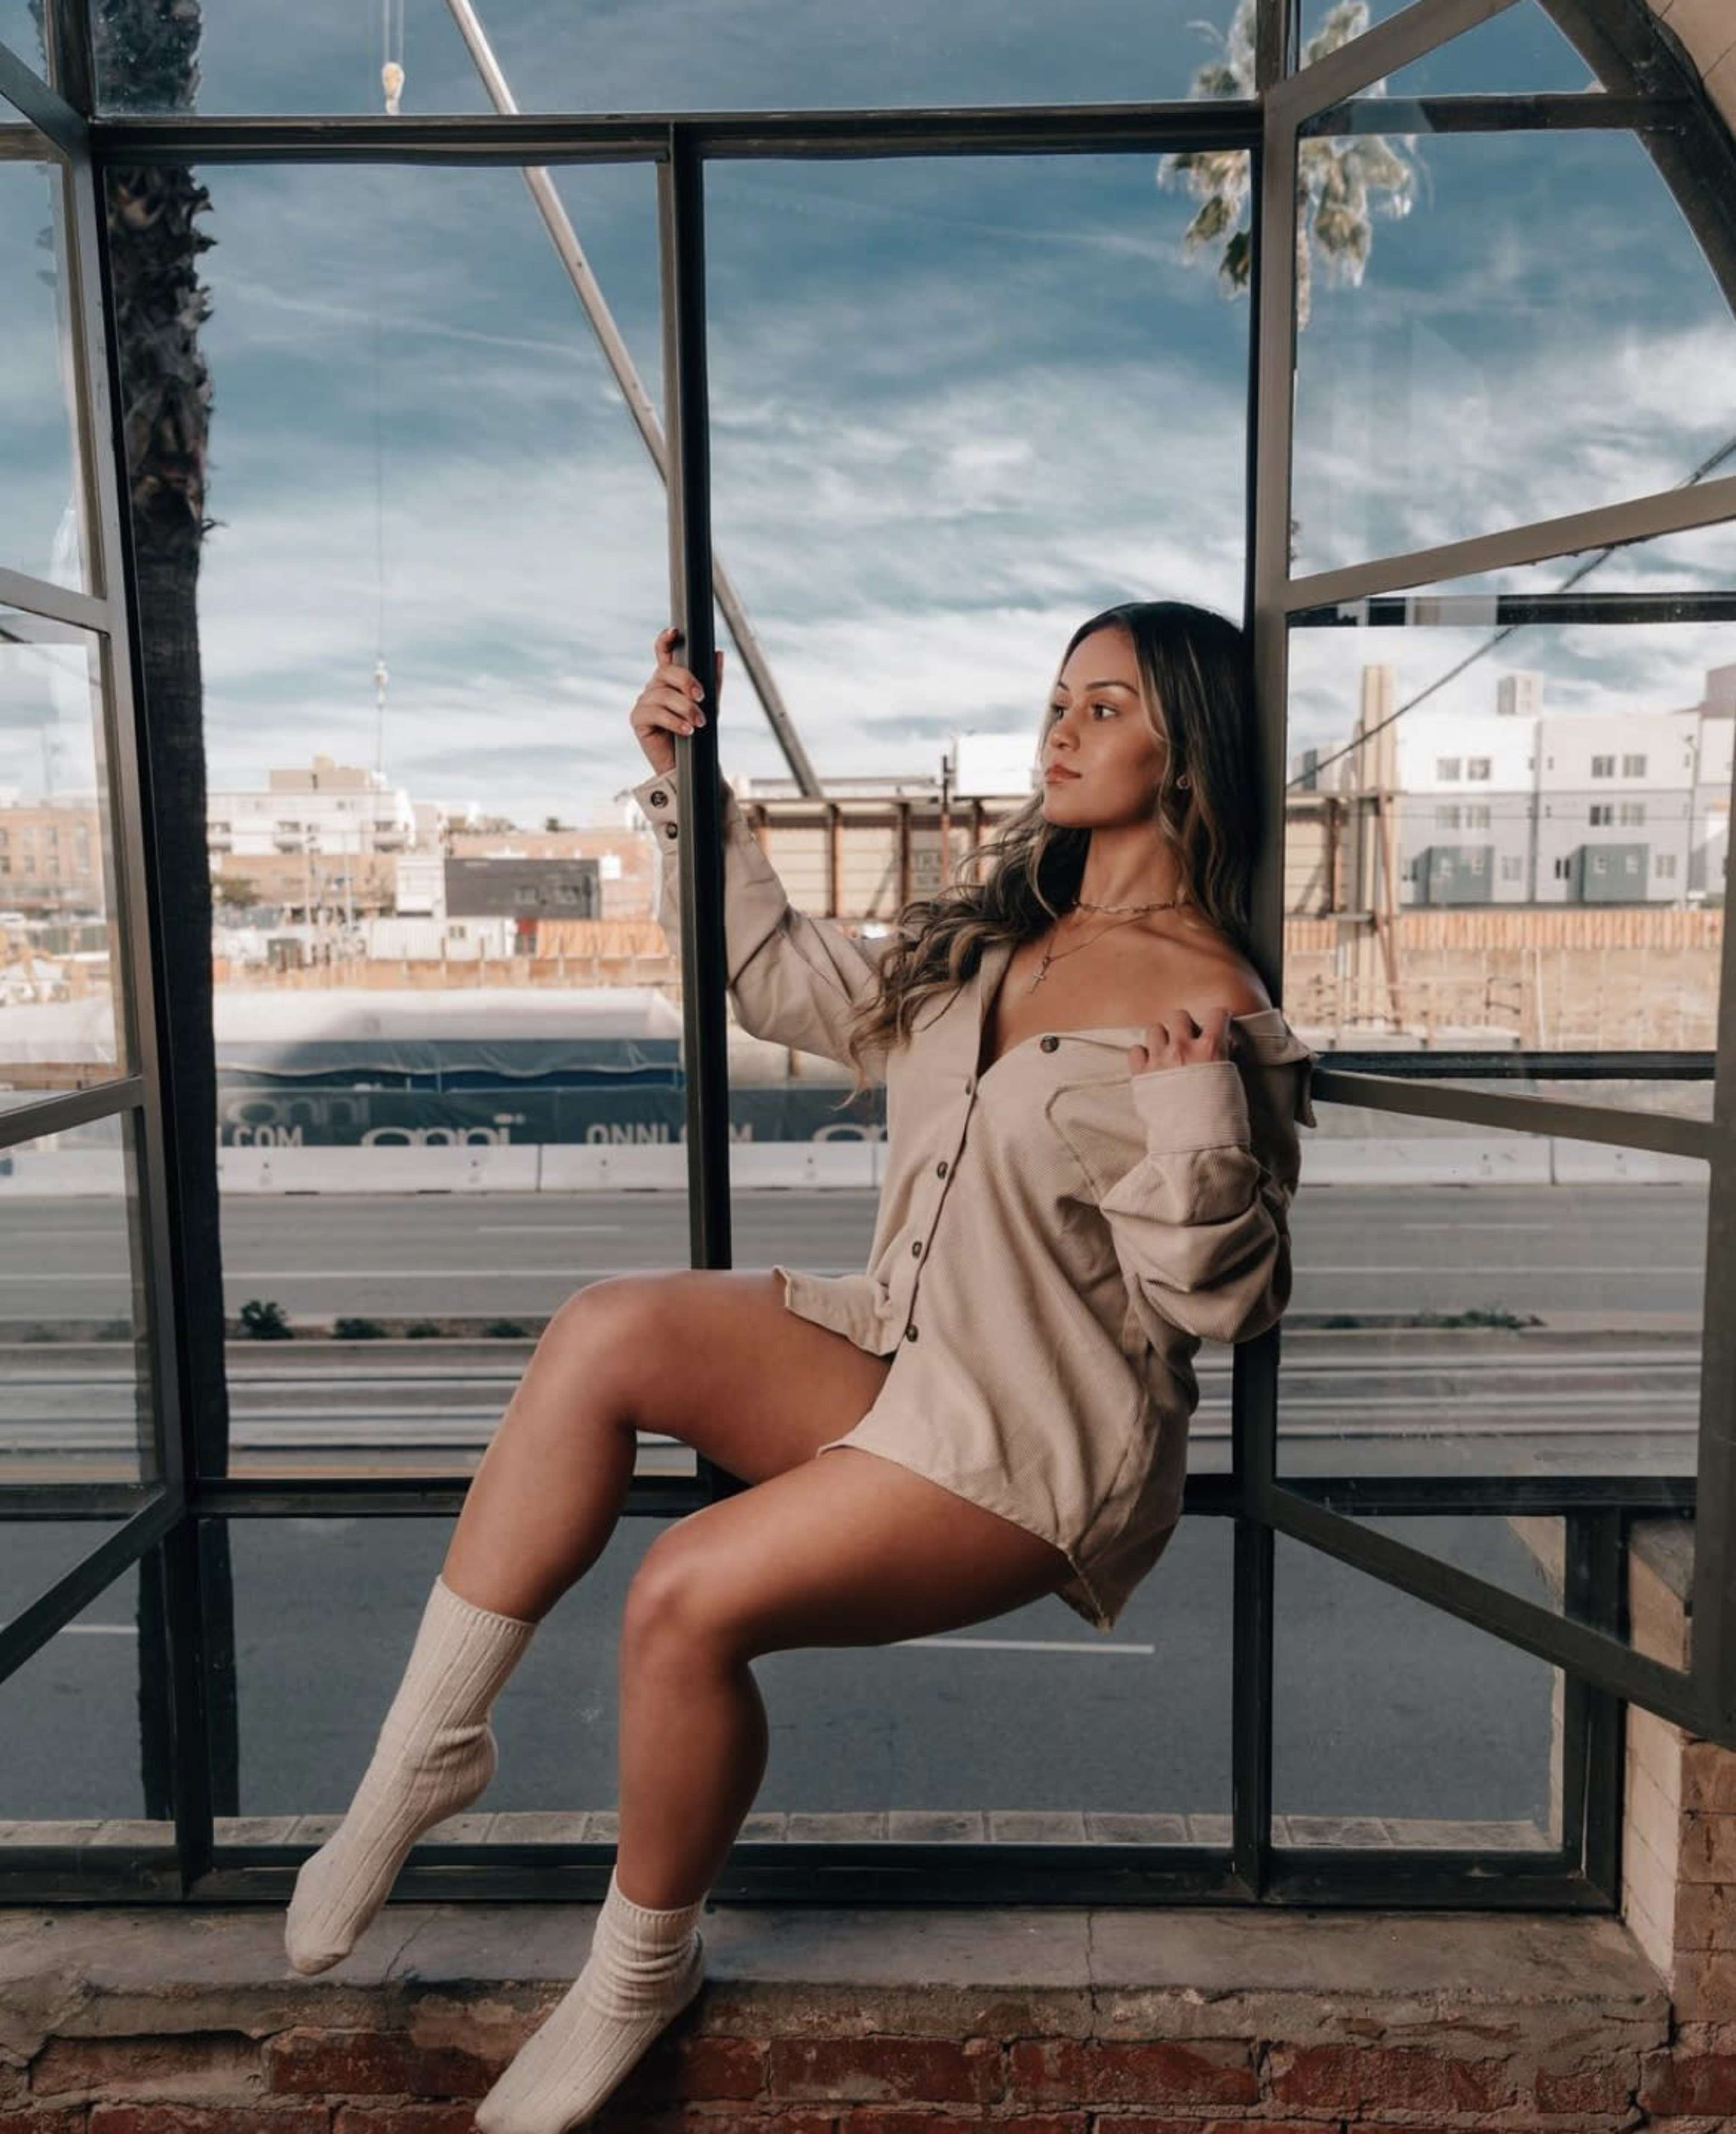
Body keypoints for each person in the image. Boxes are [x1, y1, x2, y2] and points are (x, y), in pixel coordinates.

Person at [282, 600, 1319, 2134]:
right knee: (604, 1329)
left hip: (1031, 1443)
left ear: (1188, 750)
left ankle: (639, 1972)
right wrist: (688, 800)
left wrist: (1194, 1123)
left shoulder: (1213, 999)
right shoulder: (1004, 945)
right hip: (901, 1355)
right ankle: (426, 1753)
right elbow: (775, 975)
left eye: (1106, 707)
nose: (1062, 729)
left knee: (684, 1598)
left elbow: (1227, 1301)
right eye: (1058, 699)